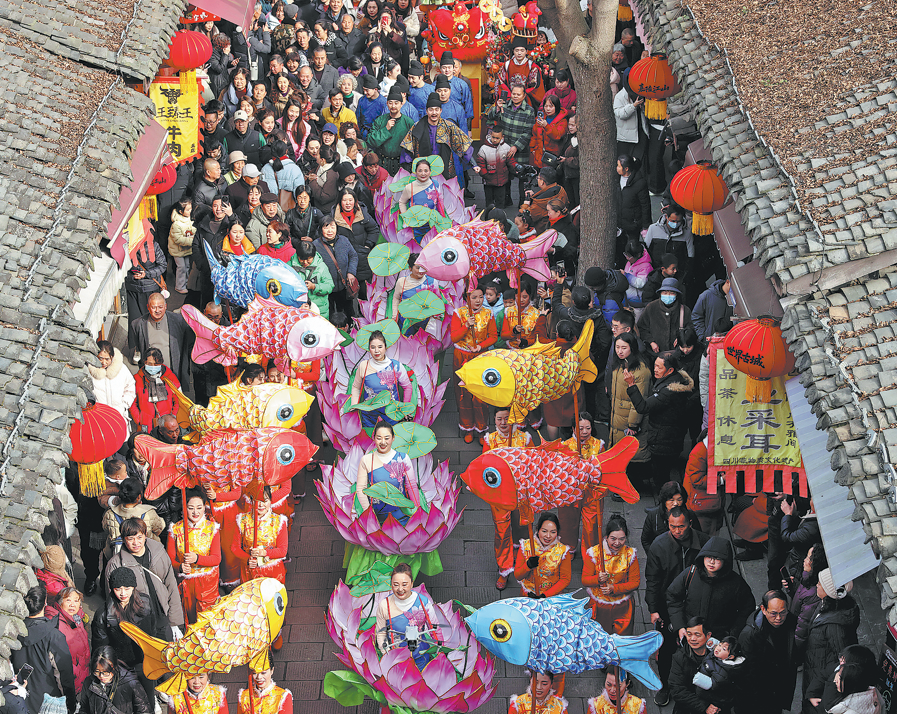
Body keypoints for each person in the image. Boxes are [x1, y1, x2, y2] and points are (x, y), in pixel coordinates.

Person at [644, 506, 710, 705]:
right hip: (667, 606)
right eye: (673, 527)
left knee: (697, 646)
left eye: (681, 526)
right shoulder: (659, 546)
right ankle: (665, 685)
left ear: (689, 524)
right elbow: (652, 580)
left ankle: (693, 686)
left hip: (696, 606)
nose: (677, 531)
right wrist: (653, 609)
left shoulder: (704, 542)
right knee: (666, 650)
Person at [93, 567, 168, 702]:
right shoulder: (102, 614)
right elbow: (100, 649)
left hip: (144, 662)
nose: (123, 593)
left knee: (148, 701)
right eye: (117, 589)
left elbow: (152, 633)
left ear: (134, 587)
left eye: (127, 588)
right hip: (119, 666)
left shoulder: (146, 603)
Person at [624, 350, 694, 488]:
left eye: (659, 367)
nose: (655, 370)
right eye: (655, 365)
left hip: (664, 439)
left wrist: (632, 385)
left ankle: (665, 503)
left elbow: (643, 407)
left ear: (670, 370)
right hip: (669, 437)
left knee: (661, 476)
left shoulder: (669, 392)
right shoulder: (677, 380)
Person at [104, 518, 185, 634]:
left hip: (163, 616)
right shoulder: (116, 564)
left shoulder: (159, 552)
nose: (136, 543)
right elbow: (113, 601)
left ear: (145, 535)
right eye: (130, 539)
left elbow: (171, 586)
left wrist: (175, 623)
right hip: (138, 624)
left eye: (139, 537)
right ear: (123, 539)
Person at [666, 536, 754, 640]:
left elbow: (747, 608)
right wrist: (679, 625)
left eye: (717, 558)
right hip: (690, 635)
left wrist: (732, 634)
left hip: (719, 640)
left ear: (725, 561)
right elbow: (672, 596)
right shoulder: (690, 574)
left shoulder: (736, 583)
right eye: (708, 557)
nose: (711, 562)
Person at [11, 585, 76, 714]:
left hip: (19, 698)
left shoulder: (12, 631)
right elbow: (64, 675)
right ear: (45, 602)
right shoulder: (54, 636)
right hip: (48, 701)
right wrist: (70, 704)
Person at [803, 569, 860, 713]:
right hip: (816, 667)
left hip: (820, 677)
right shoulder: (828, 606)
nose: (816, 585)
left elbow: (842, 660)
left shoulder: (834, 626)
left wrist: (819, 689)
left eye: (820, 584)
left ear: (830, 592)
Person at [738, 590, 799, 714]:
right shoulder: (750, 634)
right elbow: (747, 674)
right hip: (758, 694)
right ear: (763, 609)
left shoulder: (791, 622)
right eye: (773, 613)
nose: (778, 618)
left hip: (779, 688)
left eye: (783, 612)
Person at [451, 285, 499, 442]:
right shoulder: (459, 314)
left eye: (481, 297)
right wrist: (466, 326)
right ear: (467, 298)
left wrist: (481, 346)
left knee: (481, 394)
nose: (478, 300)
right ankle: (467, 427)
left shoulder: (488, 314)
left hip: (480, 357)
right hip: (462, 357)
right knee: (464, 393)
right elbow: (454, 338)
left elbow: (493, 336)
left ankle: (481, 427)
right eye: (474, 297)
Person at [166, 488, 221, 624]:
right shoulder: (175, 529)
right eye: (190, 508)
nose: (195, 512)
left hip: (207, 583)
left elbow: (216, 558)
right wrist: (179, 567)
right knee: (189, 618)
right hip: (187, 583)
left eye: (199, 507)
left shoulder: (212, 528)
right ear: (184, 508)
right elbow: (170, 559)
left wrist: (197, 559)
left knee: (207, 619)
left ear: (204, 507)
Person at [399, 94, 475, 187]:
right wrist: (408, 168)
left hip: (444, 168)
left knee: (443, 196)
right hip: (422, 170)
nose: (434, 113)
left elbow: (463, 144)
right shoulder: (417, 127)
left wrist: (473, 163)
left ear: (440, 110)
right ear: (427, 111)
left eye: (436, 109)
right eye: (431, 110)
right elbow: (408, 148)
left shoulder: (449, 126)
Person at [375, 563, 441, 670]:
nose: (400, 589)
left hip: (421, 657)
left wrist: (440, 652)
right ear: (391, 584)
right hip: (396, 661)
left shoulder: (423, 602)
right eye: (396, 584)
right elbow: (381, 633)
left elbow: (435, 629)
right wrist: (386, 654)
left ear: (412, 583)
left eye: (404, 584)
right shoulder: (384, 605)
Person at [607, 332, 651, 485]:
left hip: (629, 420)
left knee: (631, 454)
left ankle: (631, 484)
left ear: (632, 348)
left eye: (624, 348)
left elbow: (638, 402)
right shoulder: (620, 364)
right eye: (617, 347)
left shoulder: (641, 371)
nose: (619, 351)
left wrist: (633, 425)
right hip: (618, 415)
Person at [582, 516, 640, 634]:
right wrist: (597, 579)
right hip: (599, 606)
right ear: (606, 537)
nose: (617, 543)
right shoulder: (594, 553)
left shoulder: (630, 554)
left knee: (621, 642)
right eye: (613, 538)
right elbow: (584, 580)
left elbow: (635, 582)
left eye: (622, 539)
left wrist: (614, 588)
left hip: (623, 607)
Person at [354, 421, 418, 525]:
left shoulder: (403, 458)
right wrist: (369, 514)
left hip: (401, 513)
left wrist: (416, 510)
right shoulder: (366, 460)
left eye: (387, 438)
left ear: (393, 438)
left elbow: (411, 485)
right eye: (379, 438)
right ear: (374, 438)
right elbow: (361, 489)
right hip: (377, 515)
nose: (383, 442)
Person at [127, 292, 194, 388]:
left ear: (166, 306)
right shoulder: (138, 325)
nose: (157, 310)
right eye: (153, 307)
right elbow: (140, 347)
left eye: (160, 307)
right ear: (148, 307)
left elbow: (187, 345)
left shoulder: (179, 321)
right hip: (151, 374)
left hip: (173, 374)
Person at [350, 331, 414, 429]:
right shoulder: (364, 366)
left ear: (385, 347)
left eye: (380, 347)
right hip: (369, 417)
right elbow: (355, 387)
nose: (376, 351)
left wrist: (404, 410)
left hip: (391, 415)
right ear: (369, 349)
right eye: (373, 347)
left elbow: (408, 387)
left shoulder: (396, 366)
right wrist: (354, 406)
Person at [486, 83, 536, 204]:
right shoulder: (504, 106)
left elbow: (527, 133)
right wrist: (497, 108)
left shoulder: (529, 111)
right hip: (504, 148)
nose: (515, 96)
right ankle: (506, 199)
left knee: (522, 177)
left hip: (520, 150)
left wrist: (516, 147)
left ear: (524, 96)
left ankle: (522, 202)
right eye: (513, 93)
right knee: (504, 175)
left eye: (519, 94)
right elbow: (490, 117)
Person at [233, 486, 289, 592]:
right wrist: (247, 559)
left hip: (273, 571)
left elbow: (282, 551)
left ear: (270, 501)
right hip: (250, 571)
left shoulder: (279, 521)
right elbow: (234, 547)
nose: (261, 504)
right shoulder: (242, 520)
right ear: (251, 500)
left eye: (265, 500)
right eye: (257, 500)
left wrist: (263, 552)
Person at [102, 477, 166, 556]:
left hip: (118, 557)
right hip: (148, 555)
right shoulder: (149, 513)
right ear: (139, 496)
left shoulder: (110, 514)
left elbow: (106, 529)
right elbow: (159, 528)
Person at [513, 512, 572, 598]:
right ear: (538, 529)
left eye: (553, 532)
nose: (548, 536)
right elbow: (518, 576)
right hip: (528, 594)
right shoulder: (526, 546)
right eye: (544, 531)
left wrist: (545, 595)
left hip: (551, 597)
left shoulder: (563, 551)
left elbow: (565, 579)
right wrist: (528, 566)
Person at [79, 646, 151, 714]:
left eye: (105, 672)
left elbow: (144, 711)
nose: (101, 676)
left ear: (114, 668)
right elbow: (84, 709)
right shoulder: (89, 683)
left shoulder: (131, 683)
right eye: (97, 672)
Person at [45, 587, 90, 695]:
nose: (72, 604)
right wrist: (76, 672)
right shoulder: (56, 624)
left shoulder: (77, 617)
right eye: (68, 600)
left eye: (76, 600)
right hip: (70, 680)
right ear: (60, 603)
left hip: (81, 676)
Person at [334, 188, 379, 293]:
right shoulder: (334, 217)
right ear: (340, 202)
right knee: (347, 291)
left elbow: (374, 229)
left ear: (355, 201)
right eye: (345, 200)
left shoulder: (362, 214)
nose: (348, 203)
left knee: (364, 291)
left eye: (350, 200)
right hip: (344, 258)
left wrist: (367, 245)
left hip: (362, 256)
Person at [668, 617, 716, 714]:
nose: (692, 639)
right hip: (688, 708)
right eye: (689, 634)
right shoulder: (679, 657)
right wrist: (704, 707)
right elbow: (677, 690)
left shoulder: (718, 655)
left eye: (697, 635)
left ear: (708, 635)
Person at [315, 215, 359, 316]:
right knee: (329, 313)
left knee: (348, 311)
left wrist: (351, 272)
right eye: (326, 227)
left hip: (344, 285)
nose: (330, 230)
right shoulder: (316, 245)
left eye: (332, 227)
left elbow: (353, 256)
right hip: (326, 288)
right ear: (321, 229)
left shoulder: (344, 240)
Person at [129, 348, 181, 434]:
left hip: (167, 423)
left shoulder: (170, 377)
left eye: (156, 364)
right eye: (150, 364)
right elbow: (132, 402)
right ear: (144, 362)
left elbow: (178, 399)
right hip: (145, 424)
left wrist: (173, 416)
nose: (153, 367)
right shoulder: (137, 379)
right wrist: (139, 419)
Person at [640, 481, 702, 552]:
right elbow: (646, 541)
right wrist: (654, 557)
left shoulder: (690, 515)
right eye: (671, 500)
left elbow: (698, 537)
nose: (676, 503)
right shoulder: (654, 516)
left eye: (679, 500)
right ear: (664, 501)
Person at [791, 545, 827, 662]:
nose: (805, 560)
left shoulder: (815, 593)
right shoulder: (807, 578)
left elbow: (803, 627)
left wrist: (793, 650)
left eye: (809, 558)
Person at [398, 157, 446, 244]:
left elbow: (440, 202)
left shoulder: (436, 185)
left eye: (426, 171)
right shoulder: (410, 187)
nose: (423, 173)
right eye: (420, 171)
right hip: (416, 226)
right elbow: (402, 202)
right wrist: (406, 218)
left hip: (433, 224)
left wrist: (442, 220)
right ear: (415, 172)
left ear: (430, 172)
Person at [89, 339, 136, 424]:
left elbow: (130, 388)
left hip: (119, 415)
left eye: (107, 359)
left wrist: (124, 405)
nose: (104, 362)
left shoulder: (122, 369)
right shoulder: (89, 371)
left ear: (112, 357)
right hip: (98, 417)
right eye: (101, 358)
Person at [682, 438, 723, 535]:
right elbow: (697, 479)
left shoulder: (707, 450)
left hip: (708, 501)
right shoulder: (700, 451)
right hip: (703, 503)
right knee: (704, 534)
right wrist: (720, 480)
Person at [125, 237, 168, 328]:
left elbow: (163, 265)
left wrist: (146, 274)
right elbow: (121, 269)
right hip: (133, 290)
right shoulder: (126, 247)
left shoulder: (153, 246)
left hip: (150, 289)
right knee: (135, 322)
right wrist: (132, 277)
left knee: (151, 319)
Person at [614, 154, 651, 249]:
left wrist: (645, 225)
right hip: (618, 223)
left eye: (619, 166)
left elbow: (645, 205)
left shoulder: (640, 183)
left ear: (626, 169)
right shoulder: (615, 179)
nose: (616, 168)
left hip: (633, 225)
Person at [391, 255, 438, 332]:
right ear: (410, 268)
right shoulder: (402, 282)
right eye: (418, 268)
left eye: (423, 267)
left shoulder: (432, 282)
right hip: (406, 321)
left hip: (425, 322)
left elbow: (436, 300)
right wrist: (394, 315)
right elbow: (396, 298)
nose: (421, 270)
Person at [289, 240, 334, 318]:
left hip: (320, 310)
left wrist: (314, 287)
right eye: (302, 259)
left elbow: (329, 286)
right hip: (298, 309)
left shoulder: (321, 266)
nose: (305, 262)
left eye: (309, 259)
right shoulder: (290, 266)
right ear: (297, 255)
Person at [477, 125, 519, 209]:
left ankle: (499, 217)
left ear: (502, 137)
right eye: (493, 137)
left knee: (500, 200)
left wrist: (515, 168)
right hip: (488, 180)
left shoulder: (506, 147)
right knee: (489, 201)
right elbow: (480, 163)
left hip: (501, 180)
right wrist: (485, 175)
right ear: (490, 135)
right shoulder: (484, 149)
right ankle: (489, 216)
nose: (495, 140)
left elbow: (510, 161)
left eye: (497, 138)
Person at [520, 166, 568, 233]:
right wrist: (533, 196)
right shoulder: (561, 190)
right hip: (559, 229)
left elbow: (524, 219)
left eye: (538, 178)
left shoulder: (538, 203)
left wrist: (526, 204)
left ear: (542, 182)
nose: (537, 180)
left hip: (542, 232)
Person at [529, 95, 568, 169]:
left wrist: (546, 126)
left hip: (552, 156)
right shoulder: (541, 118)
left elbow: (557, 135)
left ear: (556, 106)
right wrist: (533, 149)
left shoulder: (562, 121)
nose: (548, 109)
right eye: (546, 106)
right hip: (539, 155)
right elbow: (534, 135)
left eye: (551, 106)